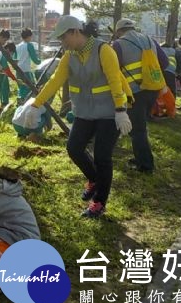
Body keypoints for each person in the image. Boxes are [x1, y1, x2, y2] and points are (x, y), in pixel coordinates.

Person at [33, 15, 132, 218]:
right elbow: (55, 80)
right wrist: (36, 104)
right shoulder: (70, 56)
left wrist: (120, 111)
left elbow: (115, 80)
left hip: (109, 113)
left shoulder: (104, 50)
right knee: (74, 148)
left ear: (75, 32)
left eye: (63, 38)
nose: (62, 43)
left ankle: (99, 202)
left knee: (102, 156)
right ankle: (95, 180)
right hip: (84, 113)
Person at [112, 18, 168, 174]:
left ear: (119, 31)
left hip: (134, 92)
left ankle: (145, 166)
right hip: (153, 88)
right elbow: (164, 63)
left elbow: (112, 70)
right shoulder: (150, 39)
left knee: (137, 130)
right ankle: (140, 158)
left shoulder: (118, 44)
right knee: (140, 126)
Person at [15, 28, 41, 102]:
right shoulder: (29, 45)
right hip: (26, 70)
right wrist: (40, 62)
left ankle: (20, 99)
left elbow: (15, 58)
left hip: (18, 69)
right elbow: (35, 60)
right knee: (30, 87)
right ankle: (26, 102)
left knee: (21, 87)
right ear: (29, 36)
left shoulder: (18, 46)